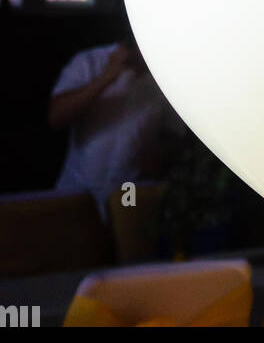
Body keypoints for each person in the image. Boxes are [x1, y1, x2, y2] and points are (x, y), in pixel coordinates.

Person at [48, 31, 181, 213]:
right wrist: (106, 78)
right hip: (79, 185)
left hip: (129, 189)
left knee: (127, 234)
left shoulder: (166, 80)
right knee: (71, 238)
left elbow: (178, 136)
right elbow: (56, 116)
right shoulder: (89, 62)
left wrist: (161, 154)